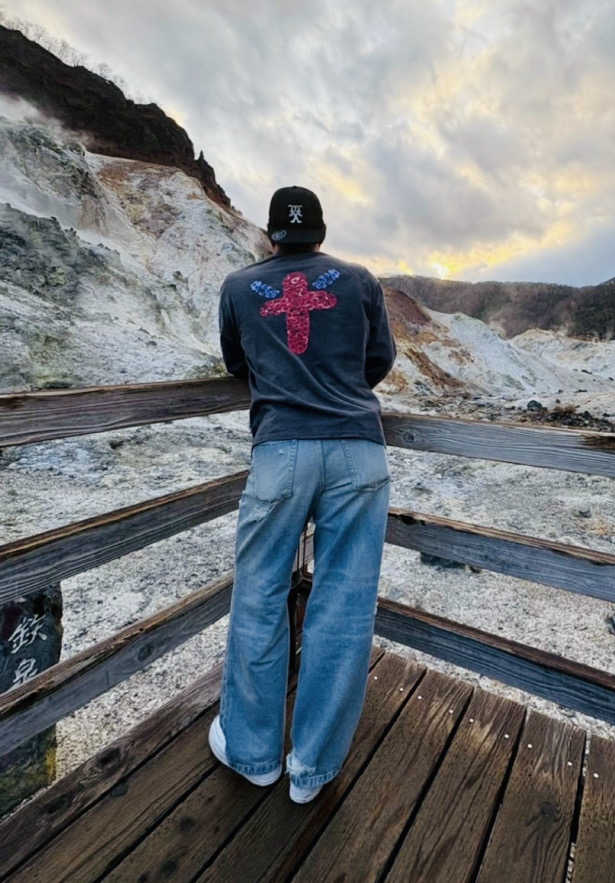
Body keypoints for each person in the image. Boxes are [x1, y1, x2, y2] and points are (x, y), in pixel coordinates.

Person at [208, 185, 396, 804]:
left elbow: (241, 366)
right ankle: (311, 770)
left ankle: (253, 755)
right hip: (357, 448)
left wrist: (289, 381)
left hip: (279, 450)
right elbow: (378, 361)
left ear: (270, 234)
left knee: (259, 594)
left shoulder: (239, 288)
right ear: (319, 230)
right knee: (343, 607)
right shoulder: (361, 280)